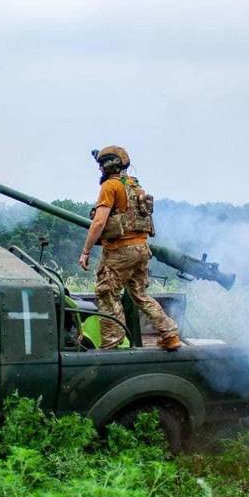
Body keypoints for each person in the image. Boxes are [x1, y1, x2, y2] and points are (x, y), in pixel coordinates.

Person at [77, 145, 182, 351]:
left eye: (101, 165)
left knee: (107, 294)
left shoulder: (110, 186)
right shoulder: (135, 187)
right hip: (141, 249)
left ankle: (112, 343)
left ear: (109, 165)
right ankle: (170, 334)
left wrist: (85, 251)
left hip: (120, 251)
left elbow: (99, 222)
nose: (99, 169)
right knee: (140, 294)